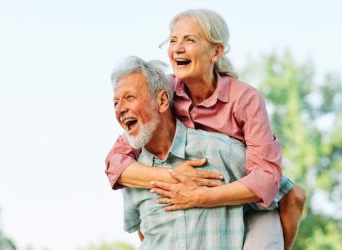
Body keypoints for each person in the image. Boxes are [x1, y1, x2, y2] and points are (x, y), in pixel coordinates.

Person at [106, 9, 305, 250]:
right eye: (173, 40)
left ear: (216, 51)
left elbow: (266, 180)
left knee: (291, 196)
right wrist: (174, 176)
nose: (177, 48)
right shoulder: (164, 90)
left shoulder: (244, 99)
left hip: (251, 202)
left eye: (189, 40)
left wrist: (198, 196)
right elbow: (116, 163)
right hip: (203, 193)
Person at [112, 55, 272, 249]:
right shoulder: (132, 173)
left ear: (162, 100)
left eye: (130, 97)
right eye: (115, 102)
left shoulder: (220, 151)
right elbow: (142, 232)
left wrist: (203, 198)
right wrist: (172, 176)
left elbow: (281, 193)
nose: (120, 109)